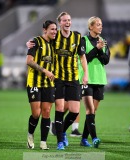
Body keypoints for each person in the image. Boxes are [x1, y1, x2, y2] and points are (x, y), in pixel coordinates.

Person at [26, 12, 88, 150]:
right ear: (60, 23)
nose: (67, 22)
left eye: (69, 20)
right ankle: (57, 141)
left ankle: (60, 132)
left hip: (72, 78)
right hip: (57, 79)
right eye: (64, 20)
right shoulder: (54, 37)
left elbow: (83, 56)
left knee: (74, 111)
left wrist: (86, 74)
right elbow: (41, 40)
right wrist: (30, 43)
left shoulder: (77, 37)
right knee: (52, 110)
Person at [78, 16, 110, 148]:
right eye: (97, 24)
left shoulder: (103, 41)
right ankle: (94, 138)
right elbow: (85, 58)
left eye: (101, 24)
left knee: (93, 110)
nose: (100, 26)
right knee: (90, 109)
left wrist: (100, 50)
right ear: (90, 27)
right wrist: (97, 49)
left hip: (99, 78)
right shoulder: (83, 40)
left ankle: (84, 139)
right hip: (87, 78)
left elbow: (106, 60)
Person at [26, 20, 57, 150]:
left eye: (56, 29)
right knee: (36, 113)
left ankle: (43, 142)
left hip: (49, 84)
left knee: (47, 112)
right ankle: (30, 134)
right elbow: (29, 61)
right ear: (45, 30)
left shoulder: (55, 44)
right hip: (34, 82)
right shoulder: (36, 42)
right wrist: (44, 70)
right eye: (52, 29)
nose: (55, 32)